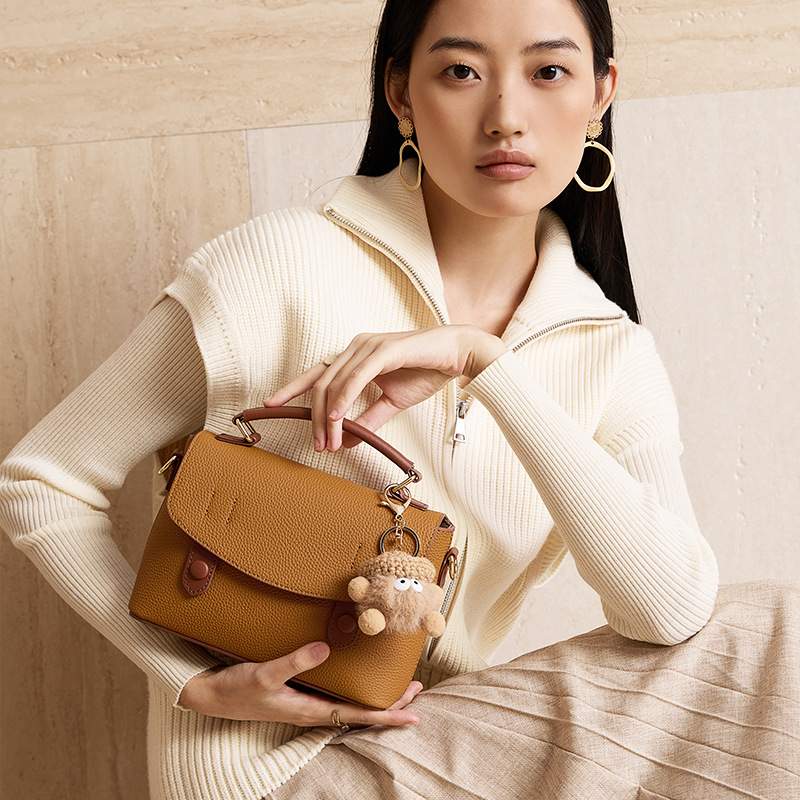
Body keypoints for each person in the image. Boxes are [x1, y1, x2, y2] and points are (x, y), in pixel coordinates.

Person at [1, 0, 798, 798]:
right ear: (401, 94)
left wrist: (484, 363)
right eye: (462, 71)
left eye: (549, 71)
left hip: (431, 745)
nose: (506, 116)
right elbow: (43, 480)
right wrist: (187, 681)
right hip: (268, 775)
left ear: (601, 93)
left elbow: (669, 612)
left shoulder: (611, 352)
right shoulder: (277, 266)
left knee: (770, 634)